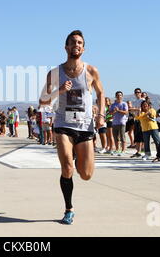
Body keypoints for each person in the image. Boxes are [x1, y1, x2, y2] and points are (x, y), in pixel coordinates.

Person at [39, 30, 105, 225]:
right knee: (67, 167)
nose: (76, 45)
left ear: (83, 48)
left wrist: (100, 115)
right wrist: (60, 90)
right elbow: (42, 100)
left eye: (80, 43)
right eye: (73, 42)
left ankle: (77, 160)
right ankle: (69, 208)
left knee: (85, 174)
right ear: (66, 47)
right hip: (63, 125)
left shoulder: (92, 71)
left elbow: (101, 94)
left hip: (85, 126)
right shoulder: (54, 73)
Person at [110, 91, 129, 156]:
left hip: (122, 122)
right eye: (117, 95)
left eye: (120, 95)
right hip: (114, 122)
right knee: (115, 137)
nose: (119, 96)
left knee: (122, 137)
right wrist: (114, 112)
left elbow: (126, 112)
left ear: (122, 96)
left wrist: (118, 110)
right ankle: (117, 149)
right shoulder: (113, 105)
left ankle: (123, 150)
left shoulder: (124, 104)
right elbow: (110, 113)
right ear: (115, 96)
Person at [129, 88, 145, 158]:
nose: (137, 93)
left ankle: (142, 150)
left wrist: (133, 109)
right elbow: (133, 111)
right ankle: (138, 151)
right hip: (136, 119)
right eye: (136, 92)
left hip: (142, 119)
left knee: (141, 135)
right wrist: (133, 111)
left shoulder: (143, 100)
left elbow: (141, 109)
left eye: (138, 92)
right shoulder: (135, 101)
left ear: (141, 93)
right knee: (137, 135)